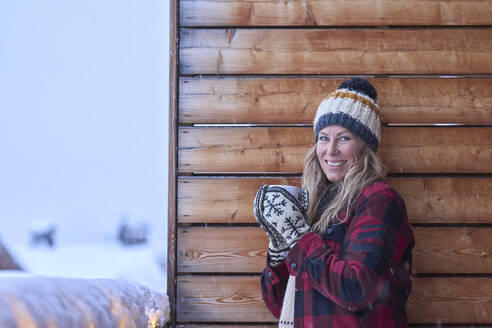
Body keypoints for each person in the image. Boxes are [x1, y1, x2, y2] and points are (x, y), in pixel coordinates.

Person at [254, 78, 415, 327]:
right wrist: (279, 250)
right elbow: (279, 304)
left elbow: (356, 288)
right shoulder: (314, 206)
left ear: (365, 147)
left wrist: (298, 238)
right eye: (323, 137)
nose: (330, 150)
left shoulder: (379, 200)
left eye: (344, 138)